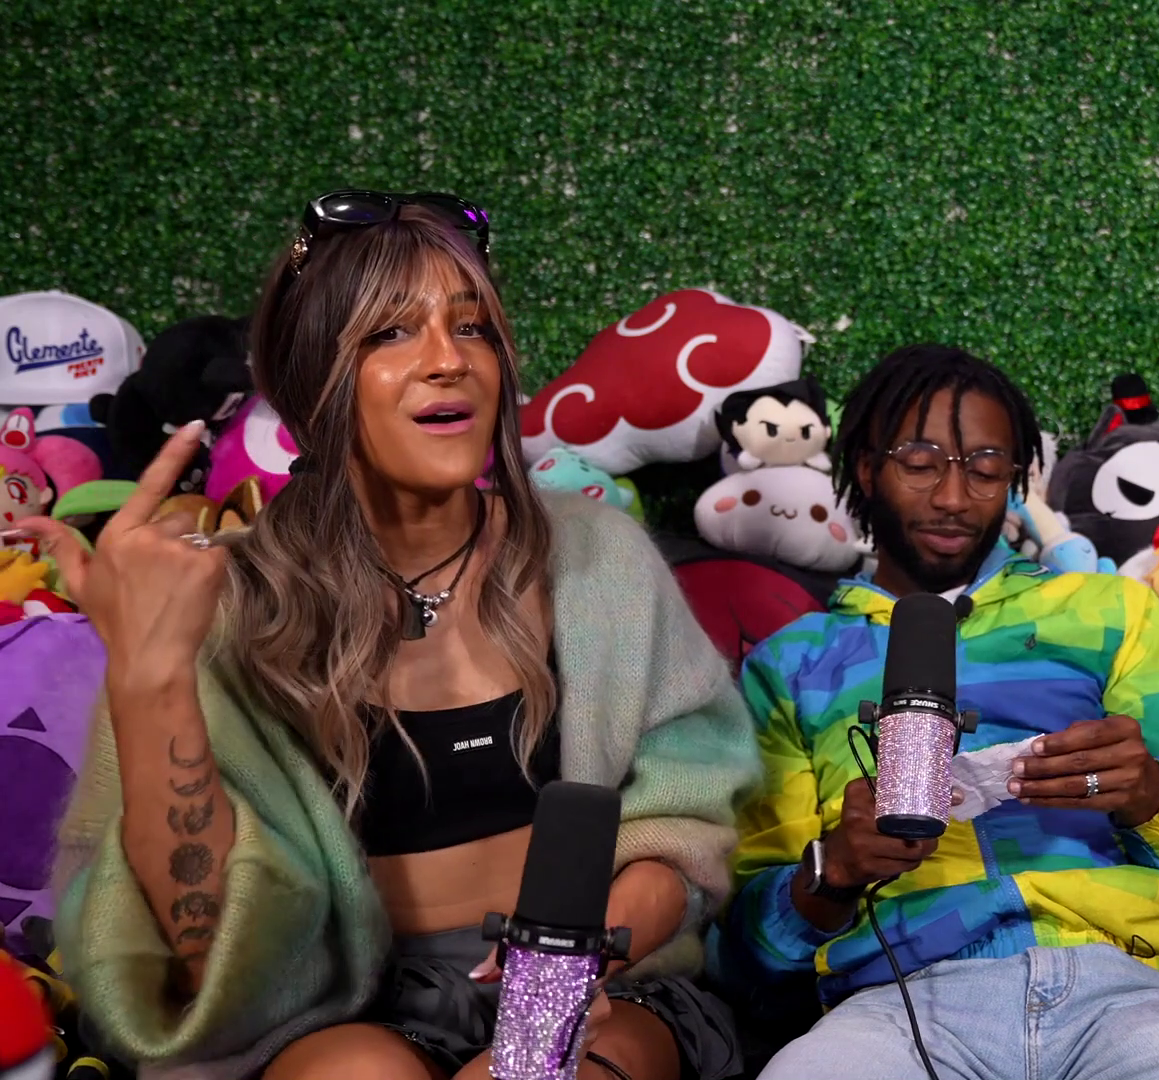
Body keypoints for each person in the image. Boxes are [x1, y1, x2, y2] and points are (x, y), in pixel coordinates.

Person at [20, 192, 761, 1080]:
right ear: (311, 379)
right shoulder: (221, 601)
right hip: (339, 1008)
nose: (448, 360)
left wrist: (574, 960)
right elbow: (208, 959)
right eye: (390, 333)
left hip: (598, 983)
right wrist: (150, 675)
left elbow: (684, 823)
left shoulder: (600, 560)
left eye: (472, 326)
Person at [711, 344, 1159, 1080]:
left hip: (1122, 989)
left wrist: (1148, 794)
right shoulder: (790, 664)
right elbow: (745, 951)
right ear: (866, 469)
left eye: (986, 467)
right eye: (920, 463)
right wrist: (830, 871)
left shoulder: (1109, 609)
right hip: (896, 1003)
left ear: (1016, 478)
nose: (953, 497)